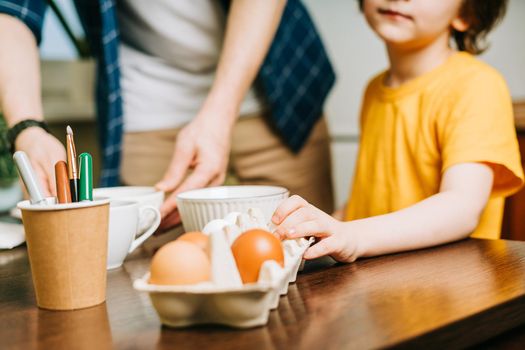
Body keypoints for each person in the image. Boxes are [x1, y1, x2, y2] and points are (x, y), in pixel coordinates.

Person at [0, 0, 335, 228]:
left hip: (277, 93)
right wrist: (27, 129)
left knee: (305, 252)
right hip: (145, 103)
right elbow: (13, 11)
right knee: (151, 261)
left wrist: (219, 112)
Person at [272, 0, 524, 262]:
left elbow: (462, 206)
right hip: (382, 287)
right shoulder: (373, 90)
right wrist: (320, 229)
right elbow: (371, 197)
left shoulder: (477, 85)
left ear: (466, 13)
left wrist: (353, 235)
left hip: (450, 290)